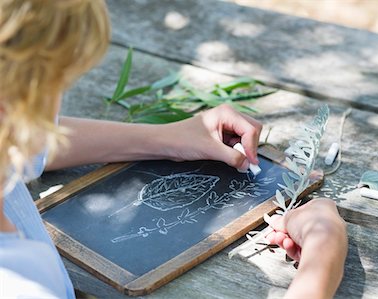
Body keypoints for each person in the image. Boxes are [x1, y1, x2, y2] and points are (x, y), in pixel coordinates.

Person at [0, 0, 347, 298]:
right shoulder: (20, 283)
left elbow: (30, 140)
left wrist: (165, 137)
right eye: (58, 84)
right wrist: (322, 255)